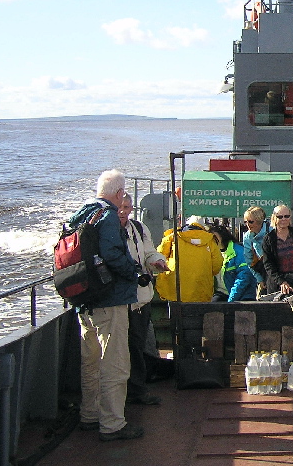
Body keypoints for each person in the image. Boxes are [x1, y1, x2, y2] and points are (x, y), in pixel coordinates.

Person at [73, 170, 143, 441]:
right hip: (109, 301)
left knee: (90, 362)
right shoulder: (109, 216)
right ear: (118, 193)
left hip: (84, 300)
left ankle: (89, 414)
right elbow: (112, 254)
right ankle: (113, 424)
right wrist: (133, 272)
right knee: (114, 363)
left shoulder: (82, 213)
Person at [118, 193, 169, 406]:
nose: (123, 211)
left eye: (127, 207)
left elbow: (149, 253)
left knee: (136, 345)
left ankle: (137, 390)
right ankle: (117, 394)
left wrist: (158, 261)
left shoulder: (138, 229)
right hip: (117, 300)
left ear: (132, 209)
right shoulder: (108, 231)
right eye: (119, 207)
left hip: (140, 299)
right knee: (118, 349)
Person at [155, 220, 223, 302]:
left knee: (175, 307)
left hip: (175, 287)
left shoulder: (173, 237)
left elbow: (159, 256)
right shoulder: (209, 240)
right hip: (201, 287)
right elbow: (217, 264)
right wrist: (206, 273)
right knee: (199, 308)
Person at [261, 205, 293, 295]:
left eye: (286, 216)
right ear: (274, 218)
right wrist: (281, 282)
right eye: (280, 217)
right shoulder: (268, 239)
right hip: (278, 285)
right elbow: (268, 264)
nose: (283, 219)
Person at [210, 225, 259, 302]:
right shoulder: (212, 253)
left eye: (214, 237)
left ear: (223, 236)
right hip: (222, 293)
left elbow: (243, 278)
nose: (212, 240)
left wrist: (231, 300)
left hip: (243, 295)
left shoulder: (239, 252)